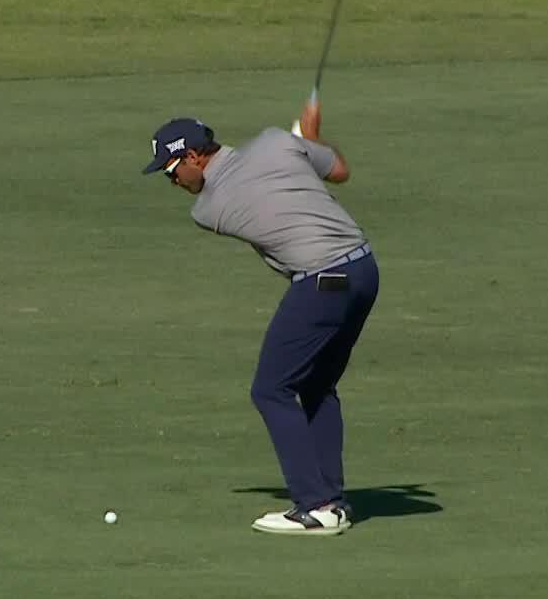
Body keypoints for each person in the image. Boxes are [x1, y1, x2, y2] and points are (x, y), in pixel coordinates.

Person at [141, 100, 379, 536]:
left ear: (193, 157)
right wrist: (309, 142)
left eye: (172, 170)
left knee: (271, 389)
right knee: (317, 384)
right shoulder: (276, 142)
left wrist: (301, 145)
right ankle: (333, 504)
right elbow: (339, 170)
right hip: (365, 271)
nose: (172, 181)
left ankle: (315, 503)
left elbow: (258, 192)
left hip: (323, 281)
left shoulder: (208, 210)